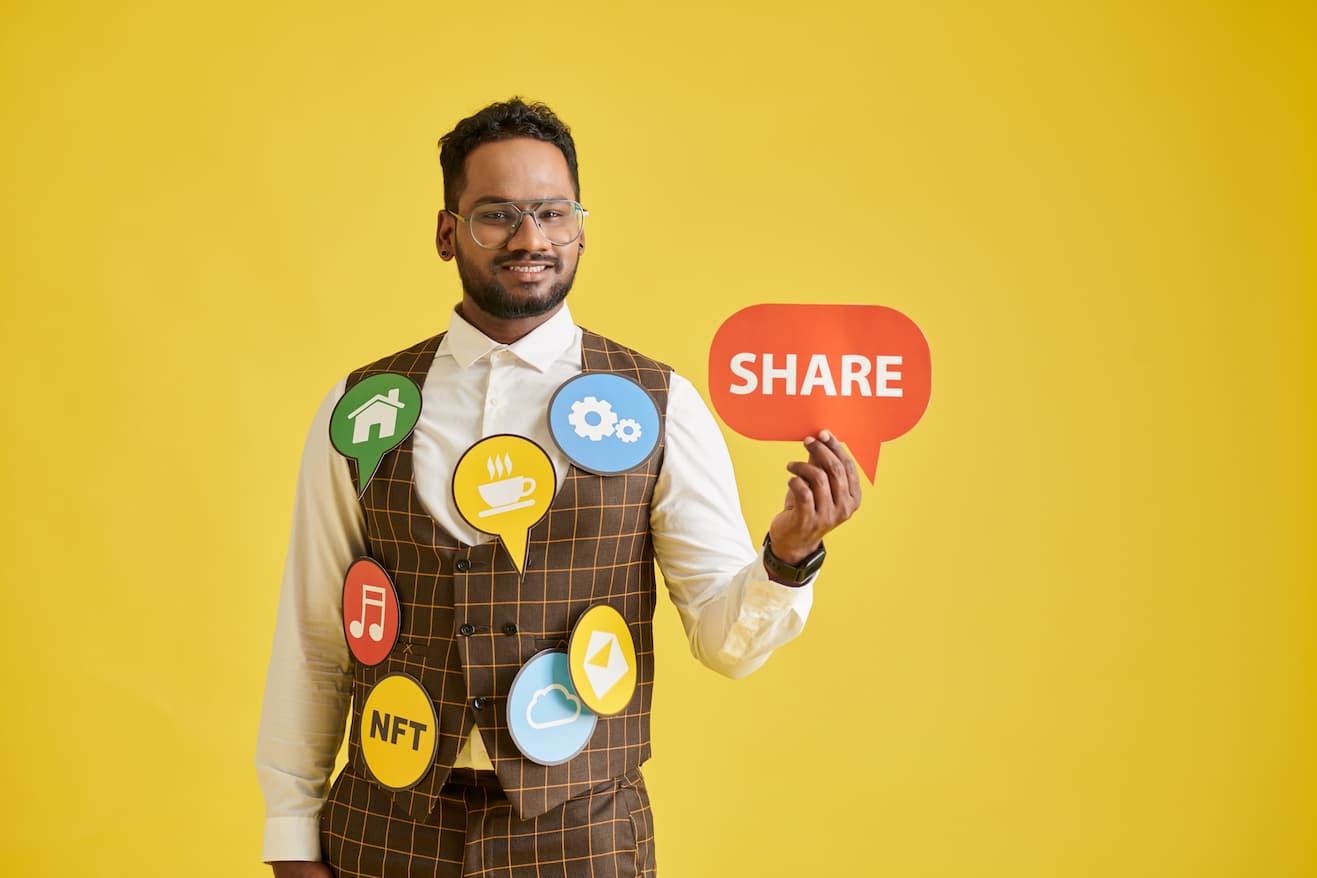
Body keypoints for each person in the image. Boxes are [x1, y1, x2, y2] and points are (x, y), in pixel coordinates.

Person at [256, 97, 861, 878]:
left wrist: (786, 556)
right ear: (447, 233)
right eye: (496, 215)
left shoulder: (660, 405)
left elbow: (723, 640)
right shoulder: (361, 407)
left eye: (551, 212)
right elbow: (313, 639)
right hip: (386, 828)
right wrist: (290, 835)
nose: (530, 238)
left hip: (582, 836)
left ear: (581, 225)